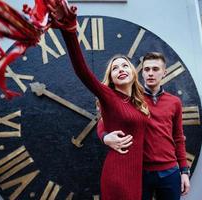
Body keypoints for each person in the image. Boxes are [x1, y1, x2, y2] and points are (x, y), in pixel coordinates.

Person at [45, 1, 151, 199]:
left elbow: (103, 123)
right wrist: (69, 31)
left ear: (134, 73)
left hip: (136, 175)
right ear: (110, 78)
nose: (120, 70)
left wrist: (103, 135)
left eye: (125, 66)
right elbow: (82, 71)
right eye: (115, 68)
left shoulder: (139, 102)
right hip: (118, 174)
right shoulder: (109, 96)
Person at [97, 52, 190, 200]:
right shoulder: (132, 99)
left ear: (164, 72)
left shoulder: (174, 102)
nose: (150, 73)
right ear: (141, 72)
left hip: (170, 171)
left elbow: (178, 137)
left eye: (155, 69)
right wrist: (105, 137)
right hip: (141, 172)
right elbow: (103, 122)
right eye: (146, 69)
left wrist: (184, 171)